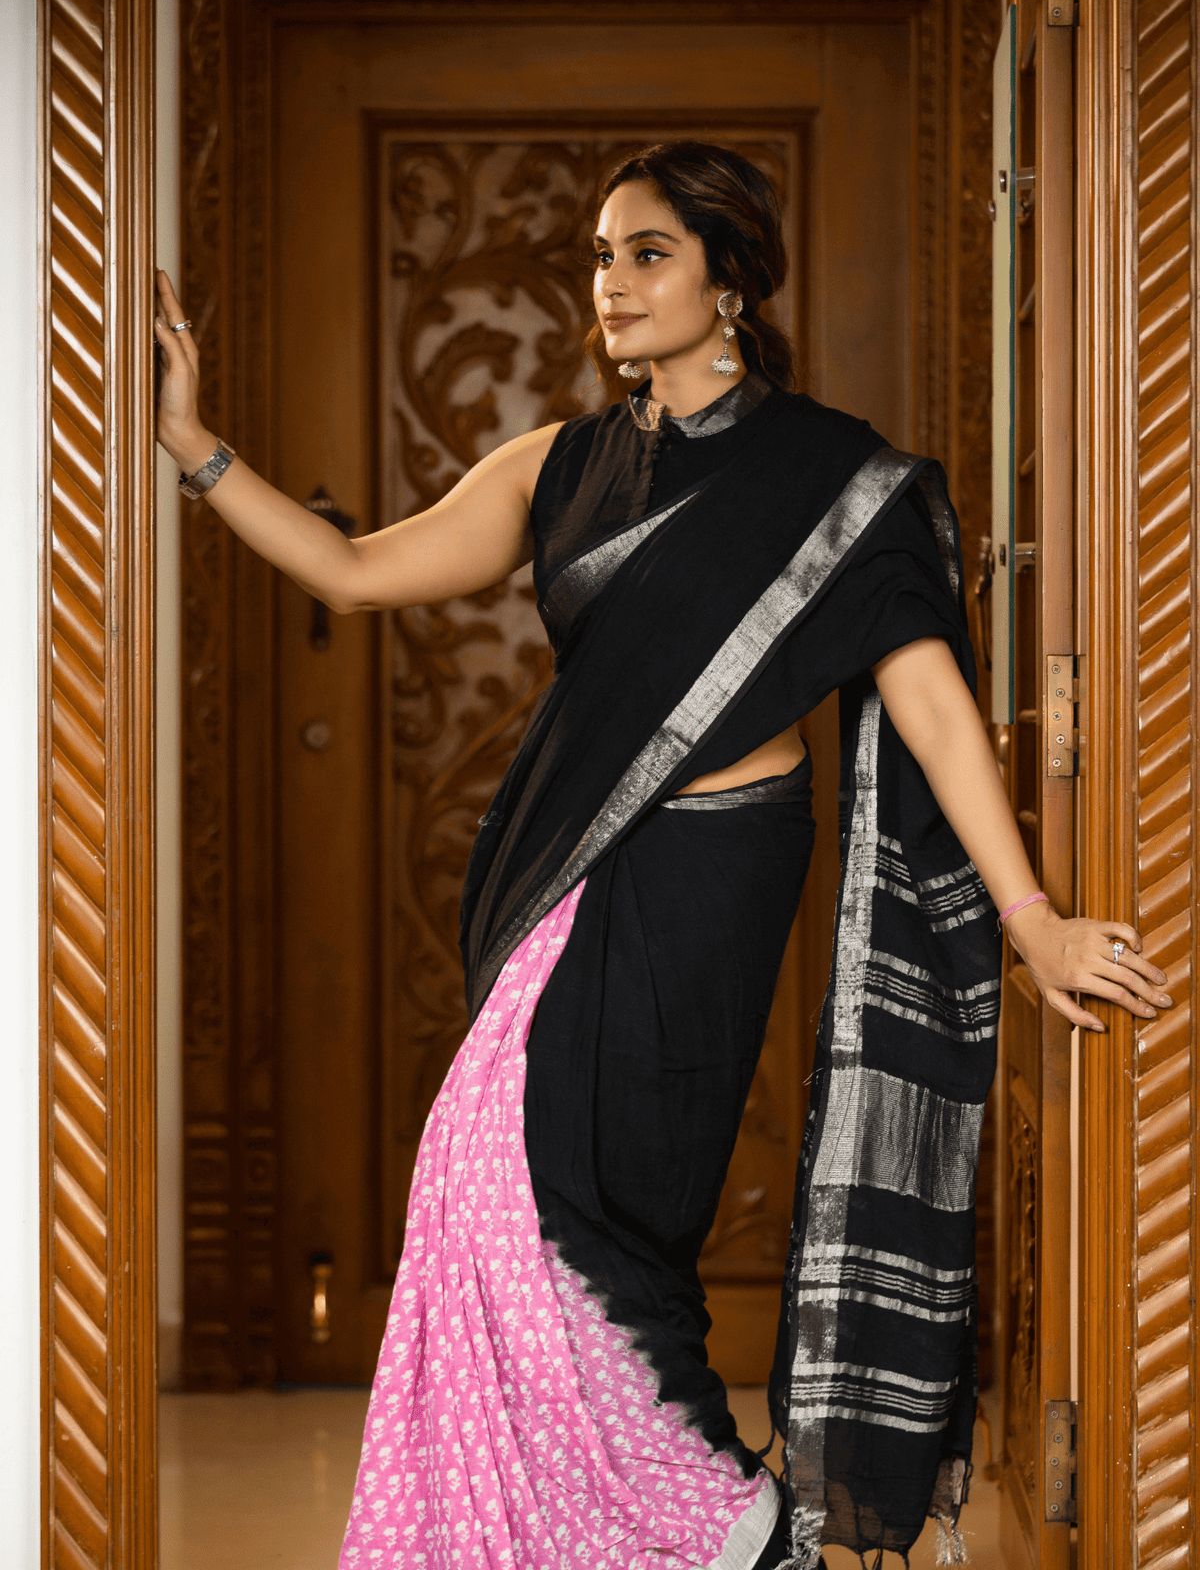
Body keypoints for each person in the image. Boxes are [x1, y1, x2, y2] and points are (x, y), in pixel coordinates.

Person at [155, 139, 1170, 1570]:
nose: (612, 284)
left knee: (621, 1202)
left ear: (729, 281)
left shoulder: (832, 477)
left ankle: (716, 1520)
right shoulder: (560, 466)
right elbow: (358, 569)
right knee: (488, 1180)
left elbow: (931, 700)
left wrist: (1031, 917)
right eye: (600, 255)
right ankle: (664, 1525)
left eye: (648, 254)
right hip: (568, 877)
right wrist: (191, 446)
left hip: (715, 880)